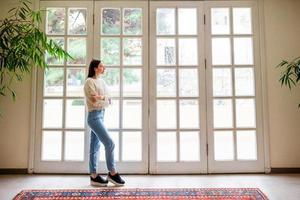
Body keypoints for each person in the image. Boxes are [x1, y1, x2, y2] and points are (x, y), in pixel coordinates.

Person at [84, 59, 125, 187]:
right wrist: (104, 98)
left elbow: (109, 99)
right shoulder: (89, 82)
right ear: (95, 68)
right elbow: (93, 100)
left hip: (101, 115)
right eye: (101, 66)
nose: (104, 68)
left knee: (94, 147)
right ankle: (112, 173)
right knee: (110, 143)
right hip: (93, 117)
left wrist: (102, 98)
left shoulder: (102, 82)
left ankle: (94, 176)